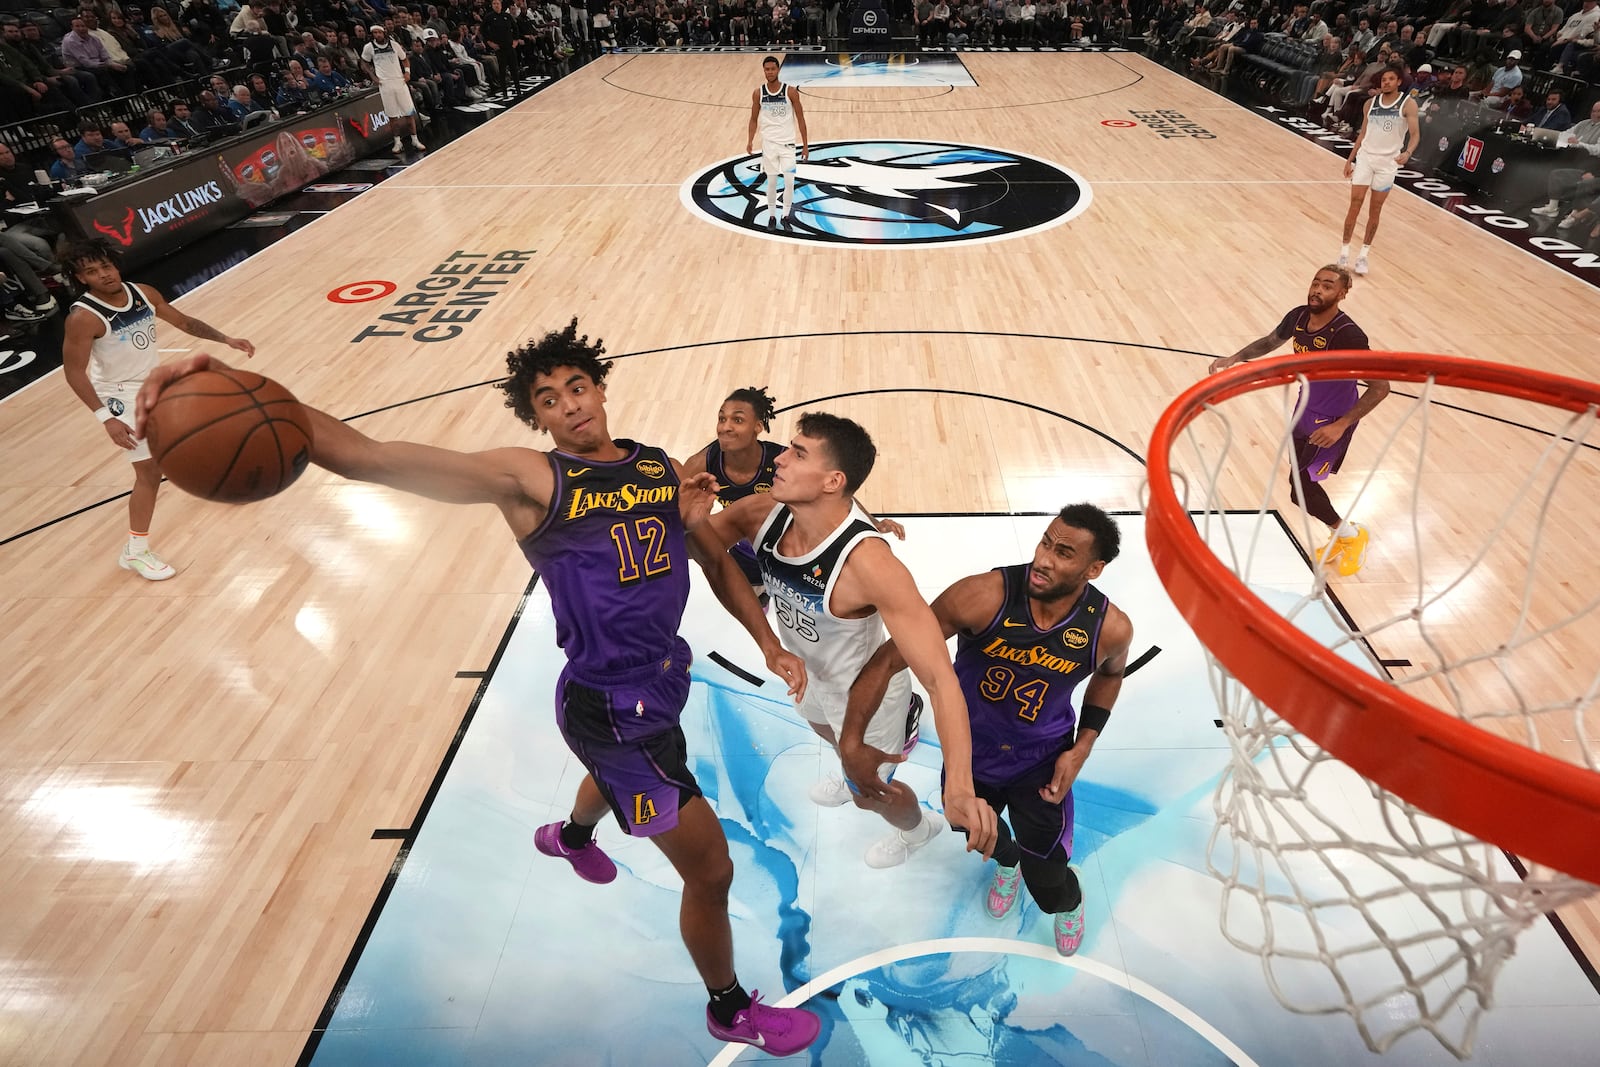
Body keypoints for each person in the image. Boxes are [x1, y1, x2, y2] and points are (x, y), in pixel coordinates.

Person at [132, 320, 821, 1057]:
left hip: (661, 678)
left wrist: (762, 631)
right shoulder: (529, 479)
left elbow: (703, 550)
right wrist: (255, 399)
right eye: (548, 400)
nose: (569, 406)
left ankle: (572, 835)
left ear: (599, 388)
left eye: (577, 387)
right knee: (710, 867)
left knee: (620, 778)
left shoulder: (654, 465)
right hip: (613, 708)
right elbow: (371, 457)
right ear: (538, 419)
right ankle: (727, 1005)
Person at [700, 413, 1000, 868]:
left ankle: (918, 829)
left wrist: (959, 785)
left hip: (869, 698)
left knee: (869, 795)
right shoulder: (762, 513)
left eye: (797, 453)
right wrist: (686, 514)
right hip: (808, 673)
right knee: (826, 734)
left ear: (832, 481)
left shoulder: (870, 566)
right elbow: (693, 550)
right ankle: (848, 763)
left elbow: (940, 677)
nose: (778, 459)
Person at [844, 505, 1132, 955]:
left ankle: (1068, 904)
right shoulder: (982, 595)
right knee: (979, 833)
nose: (1044, 559)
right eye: (1044, 543)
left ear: (1094, 568)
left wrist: (1083, 747)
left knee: (1049, 878)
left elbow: (1110, 675)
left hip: (1041, 763)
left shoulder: (1109, 628)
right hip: (970, 755)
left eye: (1064, 553)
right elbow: (889, 656)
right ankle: (1007, 863)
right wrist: (852, 739)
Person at [60, 239, 256, 581]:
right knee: (149, 474)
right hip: (120, 398)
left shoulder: (144, 292)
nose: (104, 275)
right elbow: (73, 372)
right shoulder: (83, 318)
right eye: (92, 272)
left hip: (151, 384)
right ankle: (135, 553)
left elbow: (184, 323)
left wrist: (225, 339)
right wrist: (105, 418)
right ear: (81, 280)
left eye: (106, 266)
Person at [1207, 266, 1390, 576]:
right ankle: (1343, 534)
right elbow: (1270, 341)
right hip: (1304, 410)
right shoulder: (1299, 316)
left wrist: (1340, 425)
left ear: (1342, 294)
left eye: (1328, 286)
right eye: (1315, 283)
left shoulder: (1347, 334)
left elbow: (1380, 387)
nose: (1318, 290)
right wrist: (1235, 358)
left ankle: (1352, 536)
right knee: (1300, 486)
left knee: (1300, 490)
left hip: (1332, 419)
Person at [682, 386, 906, 598]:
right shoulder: (701, 463)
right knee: (754, 603)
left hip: (785, 546)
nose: (725, 427)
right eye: (722, 419)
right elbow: (677, 514)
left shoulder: (782, 459)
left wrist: (872, 522)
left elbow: (834, 489)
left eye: (737, 420)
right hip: (744, 551)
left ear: (758, 427)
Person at [1336, 67, 1417, 276]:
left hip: (1388, 163)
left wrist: (1407, 152)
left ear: (1399, 81)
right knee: (1354, 204)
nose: (1386, 82)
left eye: (1391, 79)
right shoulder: (1370, 103)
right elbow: (1363, 133)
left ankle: (1363, 256)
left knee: (1375, 210)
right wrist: (1350, 159)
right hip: (1366, 159)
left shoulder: (1408, 104)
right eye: (1383, 79)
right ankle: (1344, 252)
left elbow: (1415, 135)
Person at [745, 55, 808, 230]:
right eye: (767, 69)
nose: (770, 72)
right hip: (769, 145)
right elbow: (753, 119)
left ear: (778, 70)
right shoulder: (758, 93)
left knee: (789, 182)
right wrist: (750, 140)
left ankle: (785, 216)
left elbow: (801, 119)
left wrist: (805, 145)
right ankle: (772, 216)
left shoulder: (790, 92)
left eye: (773, 69)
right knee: (771, 182)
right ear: (764, 71)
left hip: (788, 144)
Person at [361, 23, 425, 154]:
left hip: (399, 81)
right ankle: (397, 142)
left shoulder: (394, 45)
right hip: (385, 84)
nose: (377, 35)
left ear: (383, 33)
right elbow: (363, 62)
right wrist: (372, 75)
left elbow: (405, 59)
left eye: (379, 32)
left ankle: (415, 140)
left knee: (409, 113)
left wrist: (407, 72)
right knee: (392, 116)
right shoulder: (369, 48)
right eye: (375, 33)